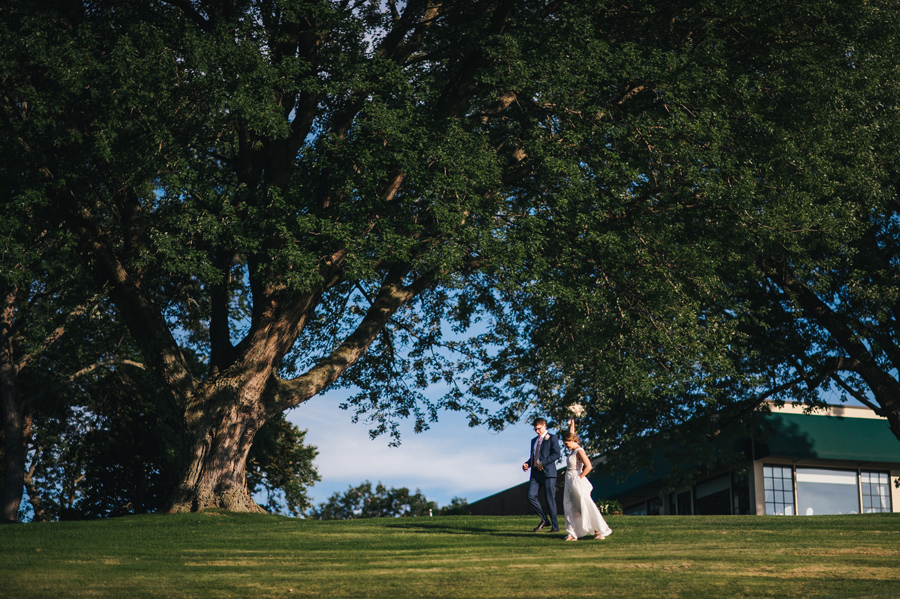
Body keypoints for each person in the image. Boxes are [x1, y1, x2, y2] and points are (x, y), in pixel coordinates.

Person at [561, 419, 612, 541]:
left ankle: (598, 530)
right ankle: (572, 533)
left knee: (583, 505)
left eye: (566, 444)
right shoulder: (573, 449)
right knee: (568, 505)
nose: (566, 446)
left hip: (576, 478)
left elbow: (589, 466)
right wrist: (572, 425)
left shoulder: (579, 451)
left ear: (572, 441)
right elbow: (571, 434)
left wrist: (578, 478)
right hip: (568, 479)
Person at [522, 417, 561, 532]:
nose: (537, 431)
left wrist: (543, 463)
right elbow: (534, 456)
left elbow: (556, 454)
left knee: (550, 499)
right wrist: (527, 464)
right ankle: (544, 519)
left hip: (548, 473)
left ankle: (555, 526)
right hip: (535, 474)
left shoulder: (552, 438)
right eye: (535, 429)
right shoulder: (533, 441)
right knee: (530, 495)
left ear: (544, 425)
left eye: (538, 429)